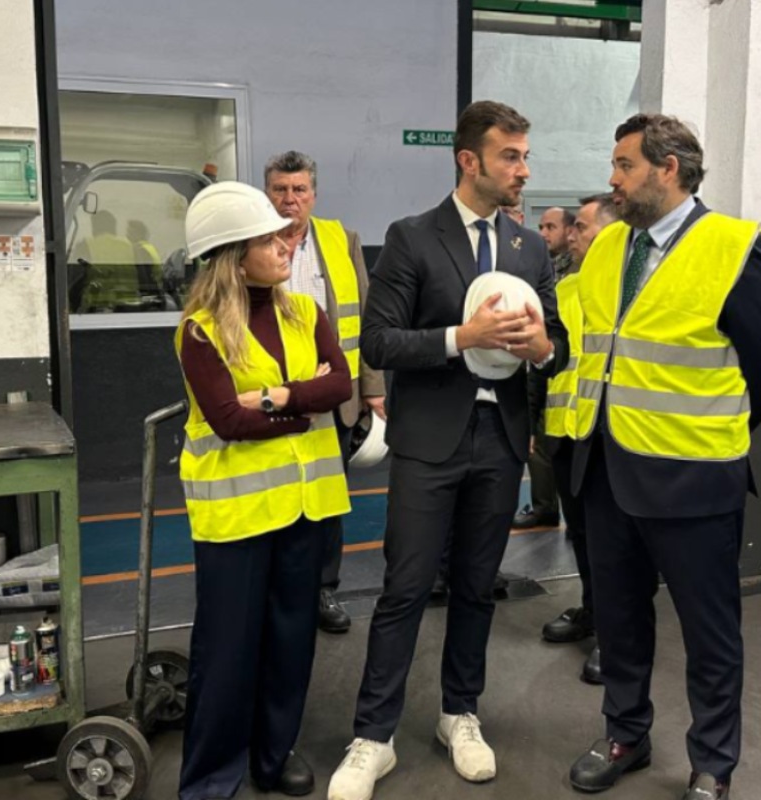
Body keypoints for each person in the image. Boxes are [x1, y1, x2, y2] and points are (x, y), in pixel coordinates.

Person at [327, 100, 568, 800]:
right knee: (404, 589)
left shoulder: (530, 248)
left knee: (475, 587)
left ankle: (460, 714)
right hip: (430, 442)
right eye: (510, 156)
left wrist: (544, 347)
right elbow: (378, 343)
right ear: (470, 160)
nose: (524, 169)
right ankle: (373, 737)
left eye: (525, 155)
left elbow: (559, 348)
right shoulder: (411, 238)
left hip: (500, 444)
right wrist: (463, 338)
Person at [565, 114, 761, 800]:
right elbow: (591, 343)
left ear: (668, 169)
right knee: (620, 618)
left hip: (693, 479)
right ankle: (625, 734)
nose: (613, 178)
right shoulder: (606, 248)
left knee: (710, 630)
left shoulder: (735, 245)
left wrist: (711, 428)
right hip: (605, 471)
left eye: (625, 165)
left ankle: (713, 761)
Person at [173, 182, 354, 800]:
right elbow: (228, 420)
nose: (286, 244)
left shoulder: (306, 312)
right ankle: (209, 778)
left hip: (306, 508)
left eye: (284, 235)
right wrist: (304, 408)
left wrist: (280, 399)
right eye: (270, 238)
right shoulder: (200, 331)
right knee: (226, 653)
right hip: (237, 514)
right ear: (232, 252)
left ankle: (274, 756)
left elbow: (340, 385)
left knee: (290, 642)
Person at [265, 151, 387, 635]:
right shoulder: (251, 243)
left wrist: (374, 391)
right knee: (274, 494)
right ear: (267, 192)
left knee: (326, 500)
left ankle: (322, 588)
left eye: (299, 190)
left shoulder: (342, 240)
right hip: (272, 397)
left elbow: (369, 321)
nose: (290, 199)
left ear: (314, 194)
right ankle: (275, 589)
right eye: (280, 189)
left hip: (336, 396)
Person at [533, 195, 617, 686]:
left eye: (581, 228)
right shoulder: (564, 288)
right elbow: (544, 364)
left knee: (613, 544)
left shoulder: (635, 288)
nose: (572, 235)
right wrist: (534, 428)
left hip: (608, 438)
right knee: (581, 536)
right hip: (565, 433)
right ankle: (591, 609)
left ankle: (616, 631)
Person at [514, 205, 578, 532]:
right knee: (539, 449)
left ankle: (573, 518)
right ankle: (545, 507)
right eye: (541, 226)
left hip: (575, 387)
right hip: (546, 377)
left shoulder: (576, 279)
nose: (543, 234)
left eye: (550, 227)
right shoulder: (549, 272)